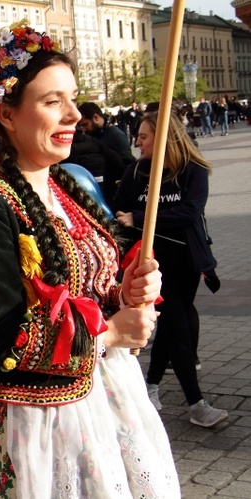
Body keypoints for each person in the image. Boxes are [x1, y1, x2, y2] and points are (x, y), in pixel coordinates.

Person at [0, 21, 179, 497]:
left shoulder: (67, 187)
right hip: (41, 421)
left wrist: (130, 291)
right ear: (6, 114)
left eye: (72, 98)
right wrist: (113, 331)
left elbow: (95, 286)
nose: (74, 113)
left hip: (109, 397)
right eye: (52, 101)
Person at [112, 112, 228, 428]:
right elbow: (114, 211)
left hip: (187, 260)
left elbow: (190, 211)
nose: (138, 141)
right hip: (152, 264)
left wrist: (141, 217)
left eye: (144, 136)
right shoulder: (136, 171)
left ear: (164, 137)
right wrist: (128, 219)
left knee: (173, 323)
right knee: (177, 324)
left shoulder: (193, 170)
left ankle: (150, 386)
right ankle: (196, 404)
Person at [77, 102, 135, 166]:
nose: (83, 129)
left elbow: (127, 164)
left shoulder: (116, 135)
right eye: (81, 126)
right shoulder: (95, 134)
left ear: (96, 117)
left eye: (85, 124)